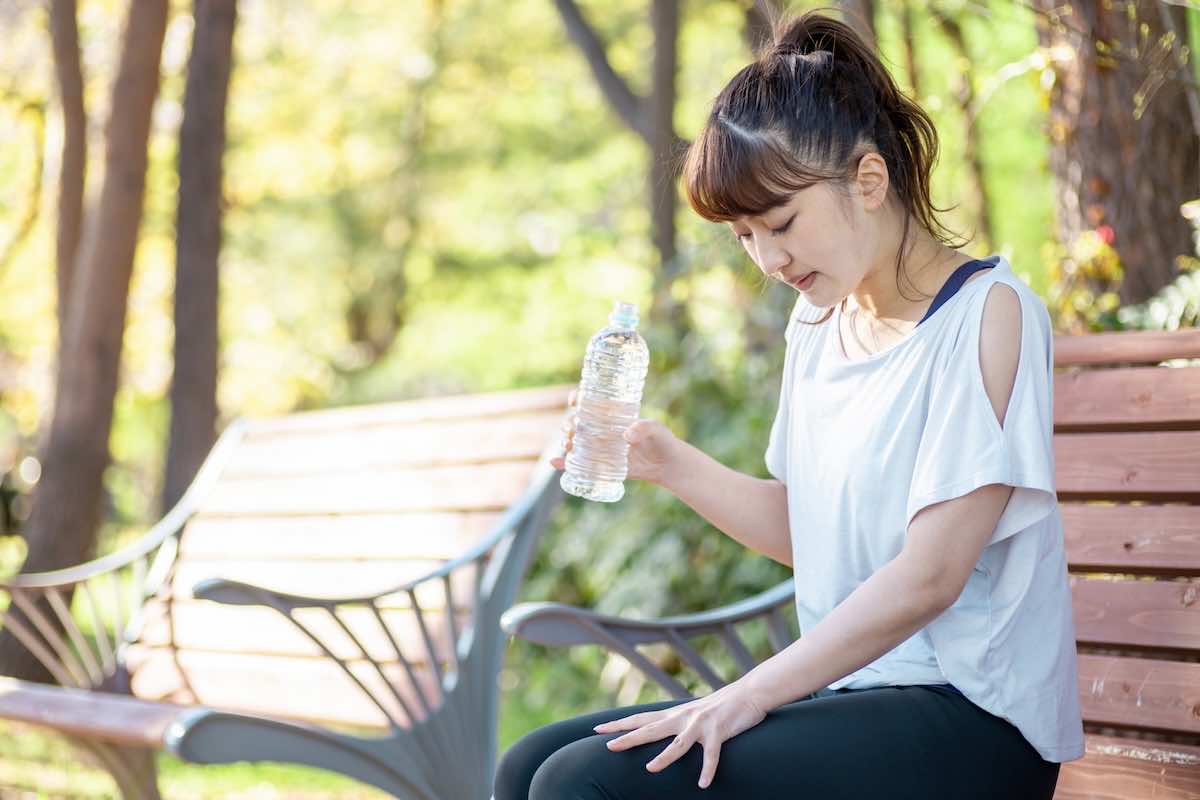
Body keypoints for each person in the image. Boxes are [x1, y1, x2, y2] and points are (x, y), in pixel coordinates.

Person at [494, 8, 1084, 799]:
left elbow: (930, 577)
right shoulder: (818, 323)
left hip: (971, 720)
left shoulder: (988, 315)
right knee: (529, 762)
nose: (769, 259)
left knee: (583, 785)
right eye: (743, 236)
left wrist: (747, 693)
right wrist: (667, 463)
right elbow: (812, 532)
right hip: (852, 698)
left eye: (780, 223)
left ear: (868, 181)